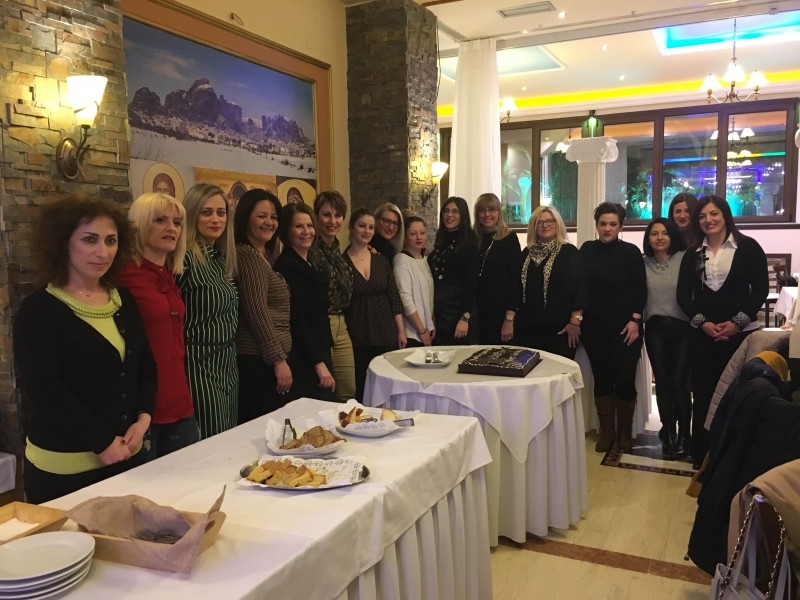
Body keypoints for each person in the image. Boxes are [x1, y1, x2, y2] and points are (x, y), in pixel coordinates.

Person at [14, 196, 155, 503]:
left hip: (126, 459)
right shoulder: (38, 310)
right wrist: (102, 442)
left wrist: (144, 418)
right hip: (64, 472)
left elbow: (144, 366)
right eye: (90, 240)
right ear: (62, 242)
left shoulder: (123, 299)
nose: (103, 252)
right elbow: (46, 392)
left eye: (111, 240)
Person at [677, 195, 768, 468]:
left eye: (714, 214)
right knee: (704, 391)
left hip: (738, 335)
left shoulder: (748, 247)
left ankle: (730, 453)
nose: (709, 220)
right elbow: (683, 296)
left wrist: (736, 323)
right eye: (702, 216)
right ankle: (701, 451)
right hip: (703, 335)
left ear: (725, 215)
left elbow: (760, 290)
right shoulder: (693, 254)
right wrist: (703, 323)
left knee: (735, 392)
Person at [119, 193, 198, 459]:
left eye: (177, 222)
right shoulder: (125, 275)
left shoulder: (168, 274)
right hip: (144, 408)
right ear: (139, 224)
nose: (171, 228)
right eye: (160, 220)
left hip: (179, 399)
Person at [580, 202, 647, 453]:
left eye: (613, 224)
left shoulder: (630, 252)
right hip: (594, 328)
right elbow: (580, 286)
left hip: (626, 329)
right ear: (596, 225)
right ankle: (607, 433)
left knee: (625, 380)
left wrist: (635, 320)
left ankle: (625, 433)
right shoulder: (586, 250)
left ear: (620, 226)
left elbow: (640, 289)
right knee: (602, 379)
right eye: (603, 224)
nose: (607, 228)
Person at [177, 183, 239, 439]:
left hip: (228, 362)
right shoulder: (184, 259)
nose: (216, 219)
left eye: (221, 213)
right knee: (212, 440)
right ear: (192, 214)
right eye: (207, 212)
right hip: (199, 364)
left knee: (229, 436)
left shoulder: (219, 259)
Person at [234, 189, 293, 422]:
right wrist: (278, 359)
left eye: (274, 217)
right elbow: (256, 313)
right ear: (245, 217)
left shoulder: (264, 254)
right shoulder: (248, 256)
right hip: (258, 360)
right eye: (261, 216)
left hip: (265, 358)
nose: (269, 222)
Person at [274, 203, 337, 400]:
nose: (306, 231)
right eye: (299, 226)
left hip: (317, 347)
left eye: (310, 226)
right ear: (287, 231)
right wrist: (318, 363)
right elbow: (297, 320)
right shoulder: (290, 266)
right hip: (306, 356)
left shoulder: (306, 261)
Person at [344, 208, 406, 399]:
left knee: (388, 386)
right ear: (352, 227)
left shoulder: (380, 260)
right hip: (358, 334)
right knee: (362, 387)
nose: (367, 231)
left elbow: (394, 296)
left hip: (386, 331)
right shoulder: (341, 262)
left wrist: (401, 330)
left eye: (371, 227)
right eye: (362, 226)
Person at [642, 217, 690, 460]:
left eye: (665, 233)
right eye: (654, 234)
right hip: (655, 329)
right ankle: (668, 430)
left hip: (683, 329)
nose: (659, 238)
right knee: (662, 381)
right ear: (648, 239)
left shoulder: (685, 259)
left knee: (680, 382)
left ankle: (685, 433)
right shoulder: (643, 263)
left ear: (672, 236)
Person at [515, 206, 587, 359]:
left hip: (561, 329)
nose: (545, 225)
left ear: (557, 223)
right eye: (539, 222)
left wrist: (575, 322)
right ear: (533, 227)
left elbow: (580, 288)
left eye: (550, 221)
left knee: (559, 372)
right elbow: (516, 288)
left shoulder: (569, 252)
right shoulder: (526, 253)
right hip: (529, 329)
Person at [310, 191, 356, 400]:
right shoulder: (310, 249)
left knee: (348, 390)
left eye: (337, 215)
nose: (332, 221)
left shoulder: (337, 249)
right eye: (326, 215)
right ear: (316, 216)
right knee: (326, 392)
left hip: (341, 322)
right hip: (321, 322)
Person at [428, 197, 480, 345]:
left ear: (463, 215)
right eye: (446, 211)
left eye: (455, 211)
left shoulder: (469, 246)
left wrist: (464, 318)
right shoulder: (441, 242)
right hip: (441, 312)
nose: (449, 215)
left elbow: (471, 285)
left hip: (459, 313)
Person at [474, 193, 521, 345]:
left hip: (501, 313)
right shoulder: (473, 239)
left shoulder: (509, 238)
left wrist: (509, 319)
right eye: (482, 210)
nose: (487, 214)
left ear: (499, 213)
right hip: (477, 312)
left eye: (491, 210)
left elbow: (515, 280)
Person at [394, 214, 435, 347]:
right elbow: (405, 299)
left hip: (426, 330)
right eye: (413, 233)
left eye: (422, 233)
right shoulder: (401, 260)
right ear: (405, 236)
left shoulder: (425, 260)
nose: (419, 237)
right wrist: (421, 330)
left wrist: (431, 324)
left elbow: (429, 297)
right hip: (412, 333)